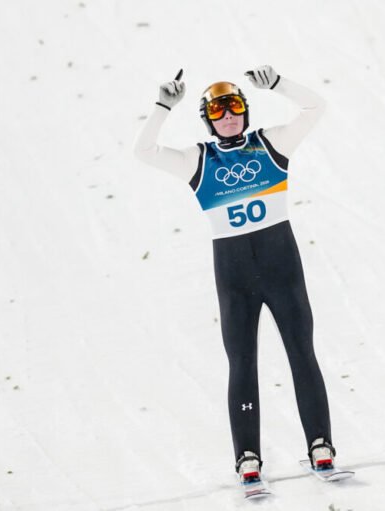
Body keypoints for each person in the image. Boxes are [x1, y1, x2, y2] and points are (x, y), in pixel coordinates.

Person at [133, 65, 337, 483]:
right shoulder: (197, 159)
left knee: (302, 354)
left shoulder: (272, 143)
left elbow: (317, 107)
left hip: (282, 268)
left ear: (245, 110)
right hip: (235, 277)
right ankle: (248, 457)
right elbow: (144, 151)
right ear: (209, 119)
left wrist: (279, 83)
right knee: (242, 363)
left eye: (236, 107)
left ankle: (321, 445)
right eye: (219, 111)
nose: (229, 116)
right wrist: (162, 106)